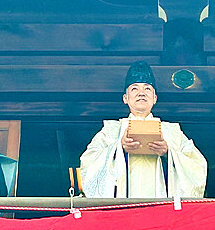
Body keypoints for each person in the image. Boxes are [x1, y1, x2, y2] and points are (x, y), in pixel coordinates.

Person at [80, 61, 207, 198]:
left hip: (159, 204)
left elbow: (198, 166)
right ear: (125, 98)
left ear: (155, 98)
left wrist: (168, 153)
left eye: (147, 89)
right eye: (134, 89)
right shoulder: (111, 131)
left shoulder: (172, 132)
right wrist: (118, 148)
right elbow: (88, 163)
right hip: (123, 206)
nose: (141, 93)